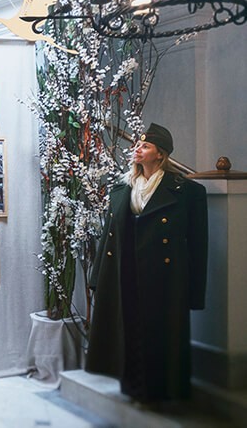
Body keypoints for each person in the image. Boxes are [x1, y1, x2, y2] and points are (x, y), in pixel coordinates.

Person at [86, 123, 208, 404]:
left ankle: (159, 392)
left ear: (160, 154)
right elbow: (109, 235)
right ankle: (133, 387)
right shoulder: (122, 188)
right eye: (137, 145)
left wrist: (194, 292)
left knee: (158, 334)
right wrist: (97, 278)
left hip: (165, 277)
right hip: (125, 270)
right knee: (129, 328)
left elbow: (198, 245)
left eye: (145, 146)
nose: (137, 149)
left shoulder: (187, 192)